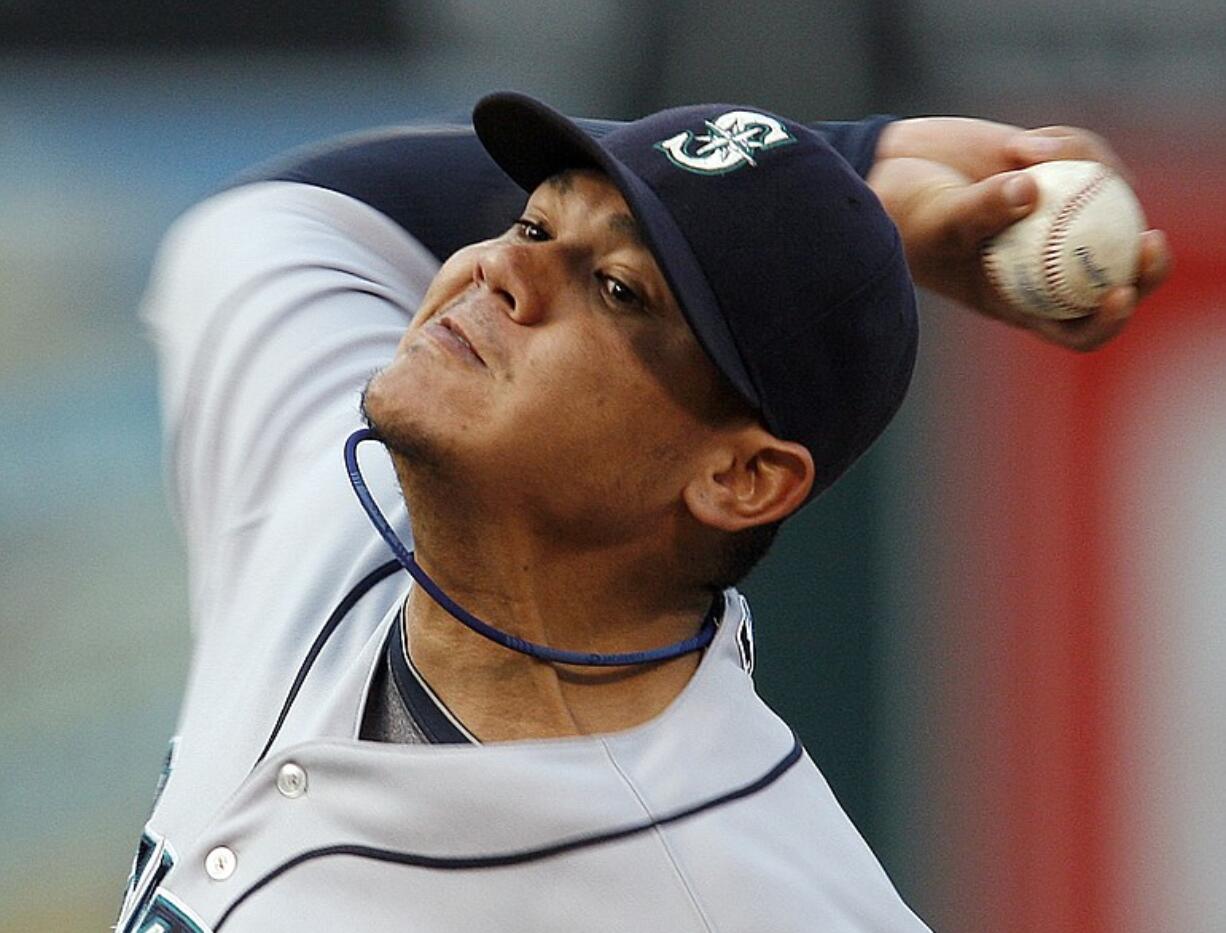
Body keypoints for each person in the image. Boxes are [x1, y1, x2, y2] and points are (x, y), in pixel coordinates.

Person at [116, 93, 1169, 932]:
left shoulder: (743, 898)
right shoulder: (326, 502)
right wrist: (856, 169)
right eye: (530, 219)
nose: (503, 270)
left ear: (741, 478)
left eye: (615, 288)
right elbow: (286, 210)